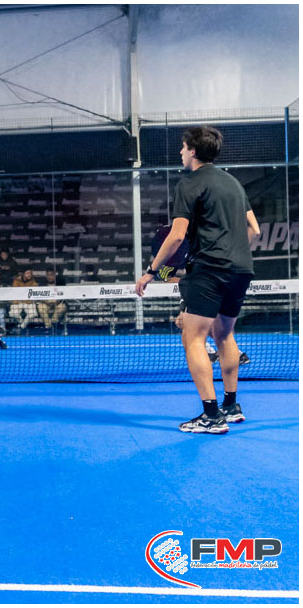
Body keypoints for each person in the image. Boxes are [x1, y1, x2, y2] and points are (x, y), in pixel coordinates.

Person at [136, 126, 259, 434]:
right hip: (241, 268)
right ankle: (231, 406)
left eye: (182, 147)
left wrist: (152, 271)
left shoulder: (189, 183)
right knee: (224, 335)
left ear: (192, 150)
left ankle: (211, 416)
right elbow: (254, 230)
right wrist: (231, 251)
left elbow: (178, 236)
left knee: (193, 339)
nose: (180, 152)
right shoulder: (233, 183)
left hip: (210, 269)